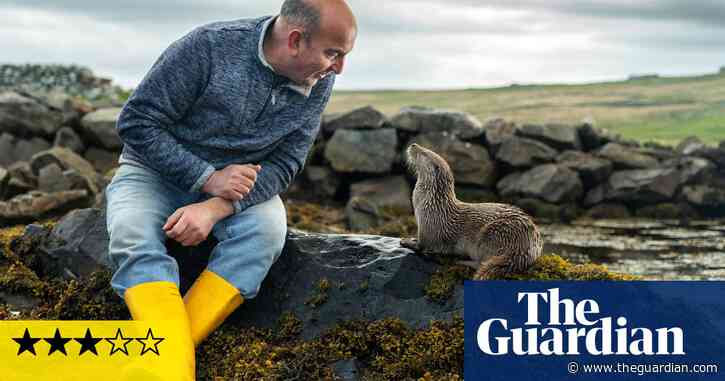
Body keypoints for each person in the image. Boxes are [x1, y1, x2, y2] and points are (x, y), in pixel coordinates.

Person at [105, 0, 357, 379]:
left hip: (238, 190)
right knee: (131, 234)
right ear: (294, 40)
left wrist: (215, 206)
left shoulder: (319, 79)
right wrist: (207, 177)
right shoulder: (207, 47)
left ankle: (164, 363)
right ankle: (172, 368)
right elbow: (137, 123)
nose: (338, 67)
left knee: (267, 232)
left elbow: (287, 163)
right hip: (151, 174)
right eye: (333, 54)